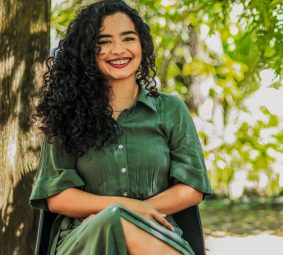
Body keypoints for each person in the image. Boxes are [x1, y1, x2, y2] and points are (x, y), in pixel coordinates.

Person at [29, 0, 212, 254]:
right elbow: (58, 196)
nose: (118, 49)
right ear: (86, 51)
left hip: (157, 234)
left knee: (120, 218)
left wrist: (135, 213)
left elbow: (192, 187)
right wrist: (122, 209)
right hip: (85, 237)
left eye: (128, 38)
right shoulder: (65, 112)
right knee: (115, 218)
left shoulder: (170, 110)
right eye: (103, 42)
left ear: (141, 45)